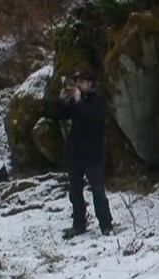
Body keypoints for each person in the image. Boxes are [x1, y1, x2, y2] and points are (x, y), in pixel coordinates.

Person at [57, 70, 113, 238]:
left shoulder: (99, 100)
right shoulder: (77, 101)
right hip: (75, 153)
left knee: (97, 190)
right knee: (75, 191)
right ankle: (79, 224)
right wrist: (62, 101)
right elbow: (59, 115)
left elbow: (90, 117)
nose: (78, 85)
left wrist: (79, 101)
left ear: (91, 83)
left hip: (92, 153)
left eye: (82, 81)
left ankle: (106, 224)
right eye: (77, 82)